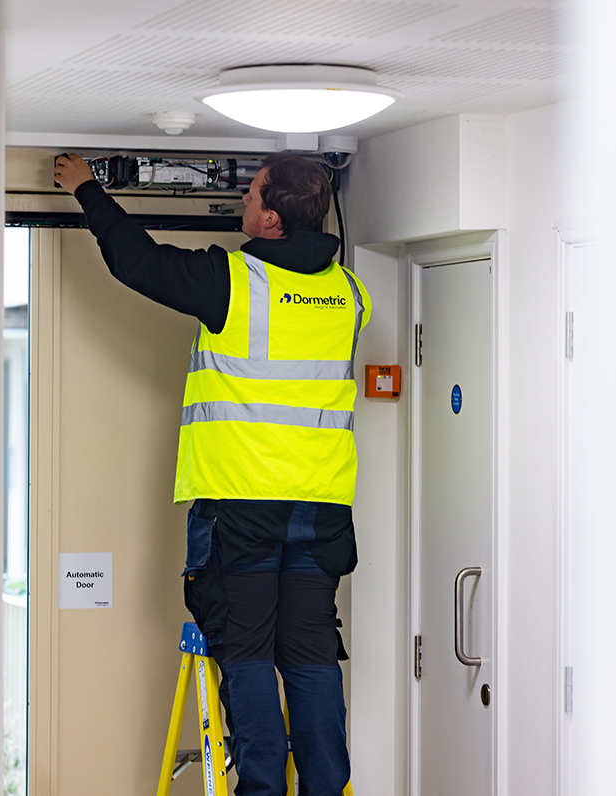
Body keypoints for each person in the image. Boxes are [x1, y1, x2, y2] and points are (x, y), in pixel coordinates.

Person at [54, 151, 370, 796]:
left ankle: (260, 787)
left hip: (242, 507)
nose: (241, 205)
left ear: (273, 220)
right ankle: (326, 787)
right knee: (310, 658)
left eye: (251, 196)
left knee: (247, 653)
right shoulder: (348, 294)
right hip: (320, 508)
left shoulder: (235, 282)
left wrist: (86, 188)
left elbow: (136, 262)